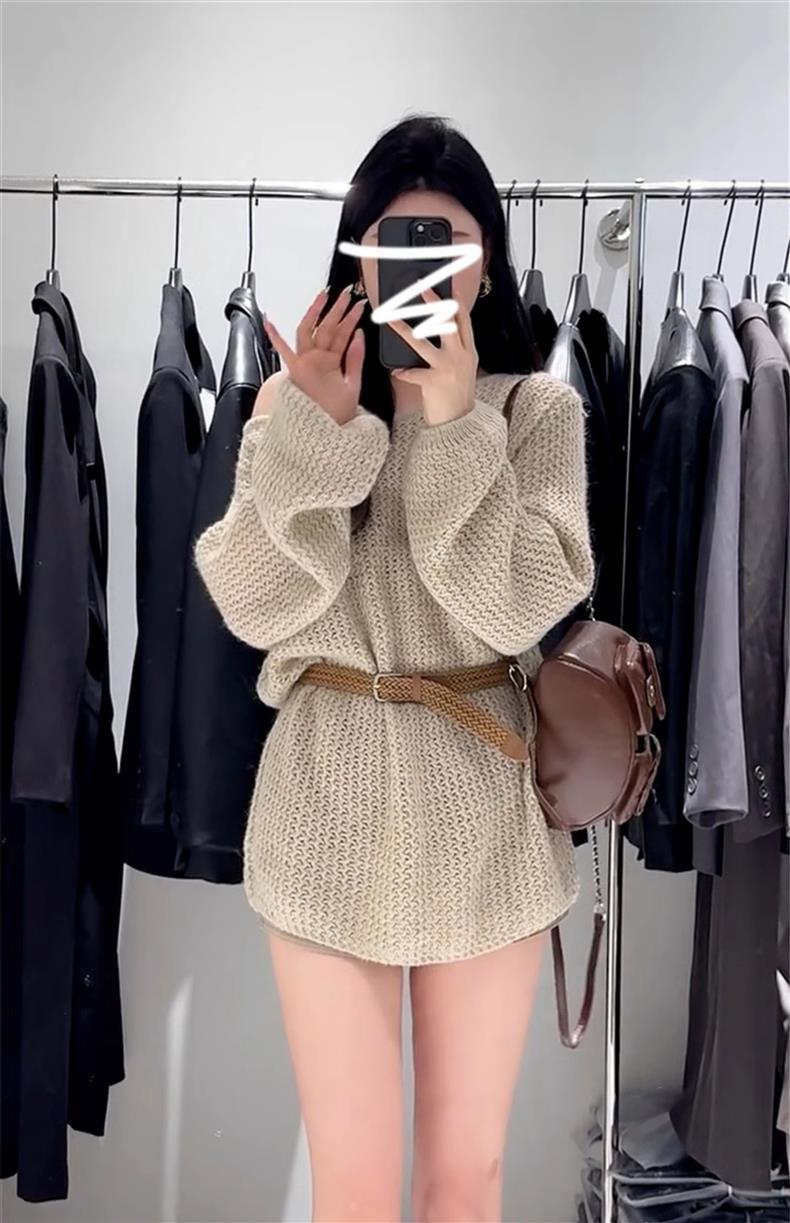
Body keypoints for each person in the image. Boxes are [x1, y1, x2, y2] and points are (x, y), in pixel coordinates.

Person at [193, 113, 595, 1223]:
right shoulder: (292, 406)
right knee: (355, 1187)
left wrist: (457, 425)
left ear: (487, 262)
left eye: (448, 242)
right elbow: (255, 607)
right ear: (359, 259)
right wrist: (315, 437)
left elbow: (515, 607)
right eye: (397, 240)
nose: (424, 266)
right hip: (322, 809)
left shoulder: (536, 411)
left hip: (485, 816)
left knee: (463, 1182)